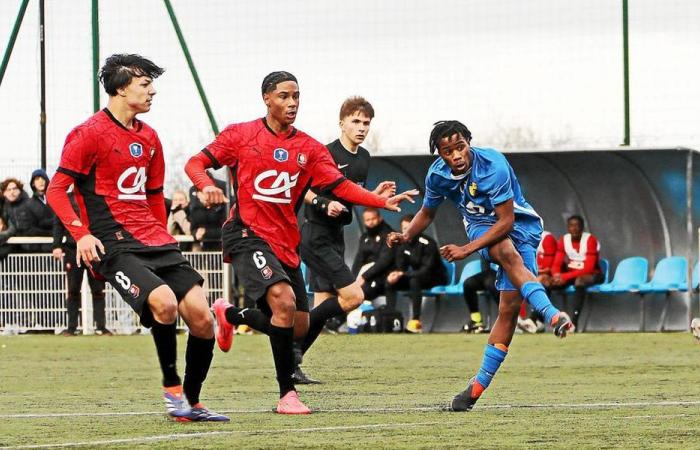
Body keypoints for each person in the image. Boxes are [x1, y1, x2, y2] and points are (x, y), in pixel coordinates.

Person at [185, 71, 415, 414]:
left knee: (298, 325)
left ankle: (230, 313)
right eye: (284, 96)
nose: (292, 103)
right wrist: (205, 185)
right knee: (283, 301)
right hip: (246, 232)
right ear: (267, 98)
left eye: (296, 97)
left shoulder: (308, 148)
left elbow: (339, 185)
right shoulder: (240, 135)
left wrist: (377, 200)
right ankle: (286, 395)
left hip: (285, 241)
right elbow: (195, 163)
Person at [46, 53, 228, 422]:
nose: (152, 91)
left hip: (155, 241)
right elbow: (56, 190)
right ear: (119, 88)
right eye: (144, 84)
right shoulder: (88, 134)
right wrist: (80, 235)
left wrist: (164, 235)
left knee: (203, 318)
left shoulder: (150, 137)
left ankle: (191, 404)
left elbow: (152, 195)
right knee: (164, 303)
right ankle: (172, 390)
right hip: (112, 242)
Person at [387, 120, 573, 412]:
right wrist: (406, 235)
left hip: (521, 227)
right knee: (504, 252)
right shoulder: (437, 175)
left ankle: (475, 390)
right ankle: (552, 314)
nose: (456, 155)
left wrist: (466, 250)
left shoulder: (493, 165)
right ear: (439, 153)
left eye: (460, 146)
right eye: (448, 151)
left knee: (508, 311)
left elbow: (507, 221)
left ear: (469, 142)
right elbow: (427, 211)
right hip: (480, 226)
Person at [295, 96, 395, 383]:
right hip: (315, 235)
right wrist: (322, 204)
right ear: (342, 123)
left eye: (366, 123)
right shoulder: (325, 153)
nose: (362, 128)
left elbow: (352, 195)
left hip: (336, 237)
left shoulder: (363, 158)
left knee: (323, 306)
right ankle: (289, 351)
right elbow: (303, 190)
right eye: (356, 121)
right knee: (352, 297)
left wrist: (376, 195)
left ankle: (292, 363)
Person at [52, 191, 111, 336]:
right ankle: (71, 327)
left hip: (94, 249)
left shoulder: (96, 196)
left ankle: (101, 327)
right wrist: (56, 245)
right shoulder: (65, 199)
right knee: (73, 290)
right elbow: (58, 223)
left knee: (98, 290)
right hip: (72, 250)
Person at [384, 214, 447, 333]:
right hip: (415, 276)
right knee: (390, 282)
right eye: (404, 229)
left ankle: (415, 321)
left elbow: (426, 269)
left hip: (434, 278)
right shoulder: (402, 244)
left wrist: (405, 275)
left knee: (414, 281)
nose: (406, 231)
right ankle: (390, 316)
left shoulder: (428, 243)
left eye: (409, 228)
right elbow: (400, 266)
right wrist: (396, 274)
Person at [550, 215, 602, 329]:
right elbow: (556, 264)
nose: (574, 229)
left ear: (582, 227)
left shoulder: (590, 240)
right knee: (548, 282)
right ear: (568, 228)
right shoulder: (564, 240)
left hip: (593, 274)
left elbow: (589, 268)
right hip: (572, 274)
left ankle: (574, 322)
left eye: (577, 226)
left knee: (580, 281)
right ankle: (535, 320)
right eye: (571, 226)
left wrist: (564, 276)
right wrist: (556, 275)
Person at [353, 208, 395, 301]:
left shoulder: (389, 235)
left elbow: (385, 261)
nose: (371, 222)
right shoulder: (365, 237)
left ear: (380, 218)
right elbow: (359, 259)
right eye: (368, 220)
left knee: (362, 292)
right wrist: (352, 278)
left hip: (382, 275)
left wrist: (364, 276)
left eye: (373, 219)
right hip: (364, 274)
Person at [188, 178, 226, 251]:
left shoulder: (224, 207)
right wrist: (196, 233)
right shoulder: (195, 209)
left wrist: (206, 232)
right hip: (204, 251)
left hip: (222, 249)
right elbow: (193, 228)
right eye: (199, 192)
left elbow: (227, 230)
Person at [462, 259, 498, 333]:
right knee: (468, 284)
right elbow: (485, 266)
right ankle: (476, 320)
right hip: (489, 273)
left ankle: (510, 319)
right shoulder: (486, 247)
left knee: (491, 284)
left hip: (506, 272)